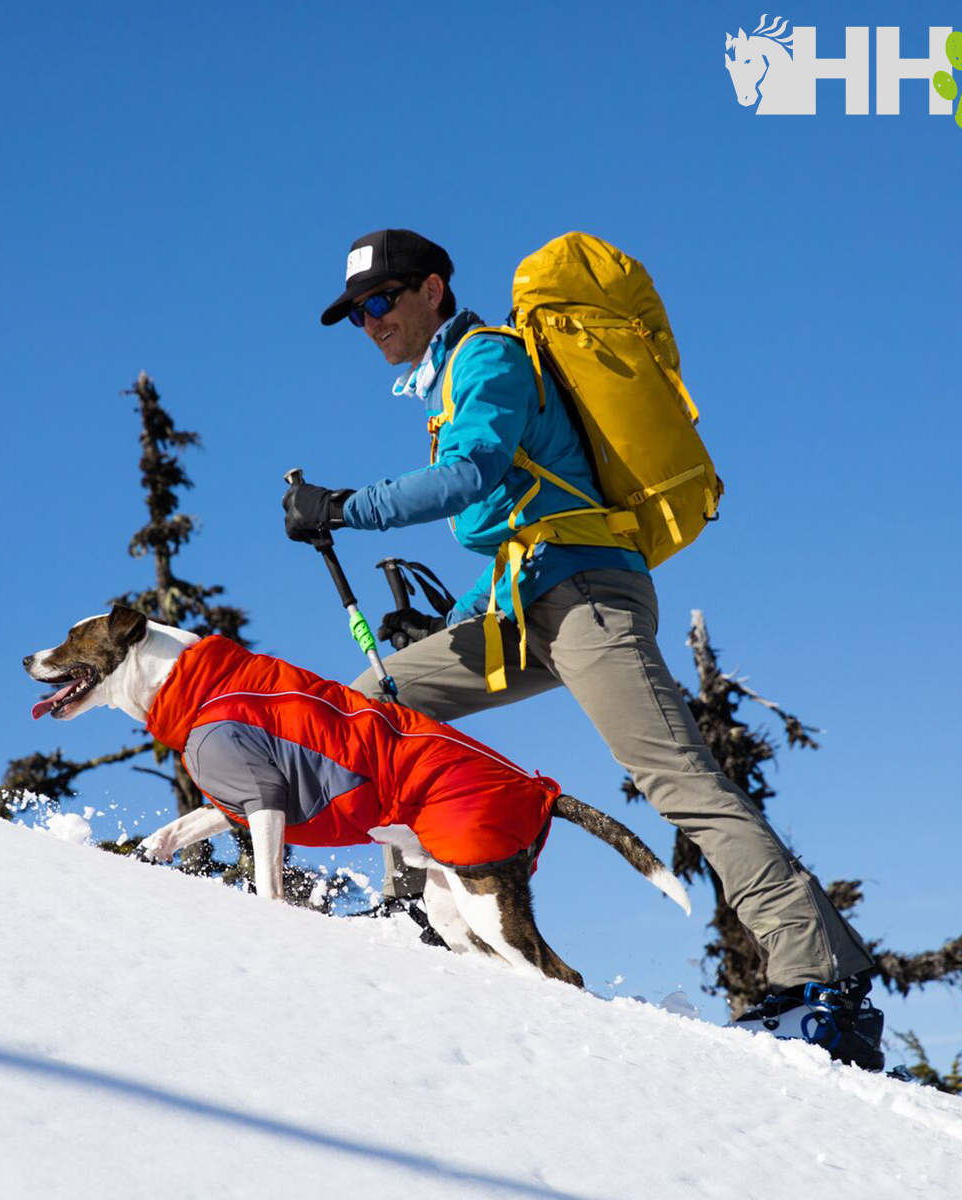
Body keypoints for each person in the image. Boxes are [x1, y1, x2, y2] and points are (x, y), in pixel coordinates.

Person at [283, 228, 885, 1069]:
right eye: (356, 313)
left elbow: (475, 475)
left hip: (588, 599)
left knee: (677, 778)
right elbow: (516, 527)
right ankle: (415, 911)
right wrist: (444, 622)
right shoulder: (447, 383)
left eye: (381, 301)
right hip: (525, 601)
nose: (370, 322)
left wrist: (347, 506)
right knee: (377, 701)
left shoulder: (487, 359)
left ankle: (827, 982)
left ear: (432, 290)